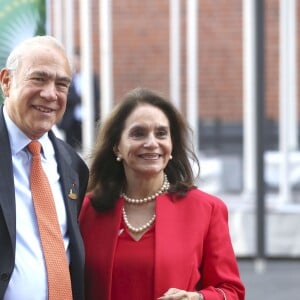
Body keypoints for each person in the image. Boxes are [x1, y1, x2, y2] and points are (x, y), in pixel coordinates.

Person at [79, 87, 245, 300]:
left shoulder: (207, 210)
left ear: (171, 145)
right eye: (138, 133)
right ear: (117, 147)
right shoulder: (84, 211)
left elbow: (231, 291)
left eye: (161, 133)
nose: (151, 143)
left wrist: (199, 298)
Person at [0, 35, 89, 300]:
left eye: (62, 84)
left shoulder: (73, 165)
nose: (50, 94)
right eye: (38, 79)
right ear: (6, 82)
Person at [58, 48, 100, 150]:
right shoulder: (68, 78)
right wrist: (80, 98)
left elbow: (96, 95)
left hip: (88, 119)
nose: (75, 64)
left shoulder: (91, 77)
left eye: (77, 60)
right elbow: (66, 96)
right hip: (72, 120)